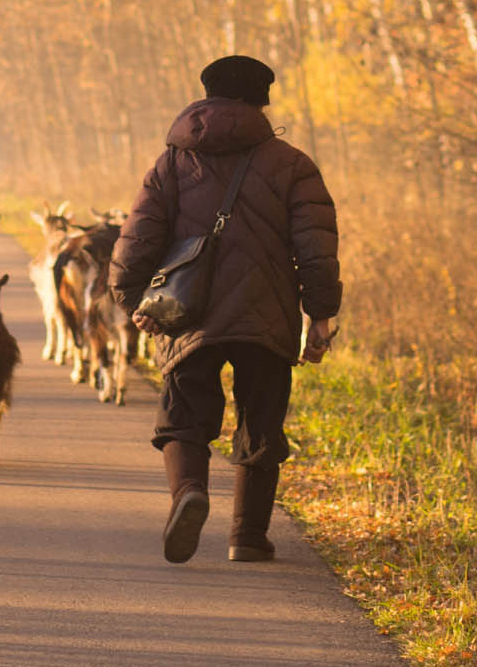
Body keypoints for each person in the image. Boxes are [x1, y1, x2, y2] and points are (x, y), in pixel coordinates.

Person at [110, 53, 341, 565]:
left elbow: (138, 235)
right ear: (262, 102)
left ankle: (188, 491)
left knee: (184, 415)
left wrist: (132, 301)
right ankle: (248, 537)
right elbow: (316, 246)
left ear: (207, 97)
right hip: (268, 314)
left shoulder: (171, 162)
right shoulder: (293, 164)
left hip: (186, 311)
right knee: (261, 421)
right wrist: (319, 314)